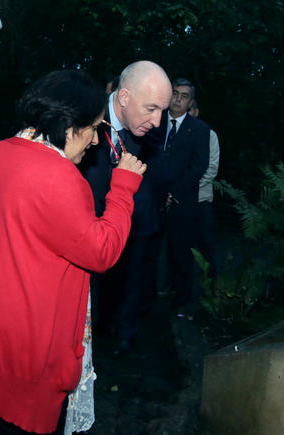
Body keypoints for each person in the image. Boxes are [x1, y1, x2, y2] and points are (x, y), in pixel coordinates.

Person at [0, 70, 146, 434]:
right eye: (95, 129)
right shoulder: (59, 176)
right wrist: (123, 189)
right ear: (70, 127)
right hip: (23, 345)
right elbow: (101, 251)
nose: (97, 143)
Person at [78, 61, 172, 354]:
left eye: (163, 111)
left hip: (134, 223)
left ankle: (124, 336)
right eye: (151, 109)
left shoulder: (148, 130)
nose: (158, 121)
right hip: (84, 229)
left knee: (130, 282)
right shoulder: (81, 114)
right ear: (124, 97)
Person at [152, 78, 210, 307]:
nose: (177, 98)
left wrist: (173, 193)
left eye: (183, 95)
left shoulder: (200, 129)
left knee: (180, 251)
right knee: (149, 249)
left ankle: (182, 301)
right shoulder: (155, 123)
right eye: (175, 93)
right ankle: (149, 295)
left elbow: (199, 166)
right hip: (153, 198)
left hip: (182, 200)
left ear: (190, 102)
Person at [187, 99, 220, 271]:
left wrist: (187, 187)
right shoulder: (176, 133)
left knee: (205, 242)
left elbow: (212, 167)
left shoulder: (209, 135)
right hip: (179, 201)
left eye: (190, 109)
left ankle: (213, 284)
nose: (187, 113)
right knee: (181, 243)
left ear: (196, 112)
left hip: (201, 198)